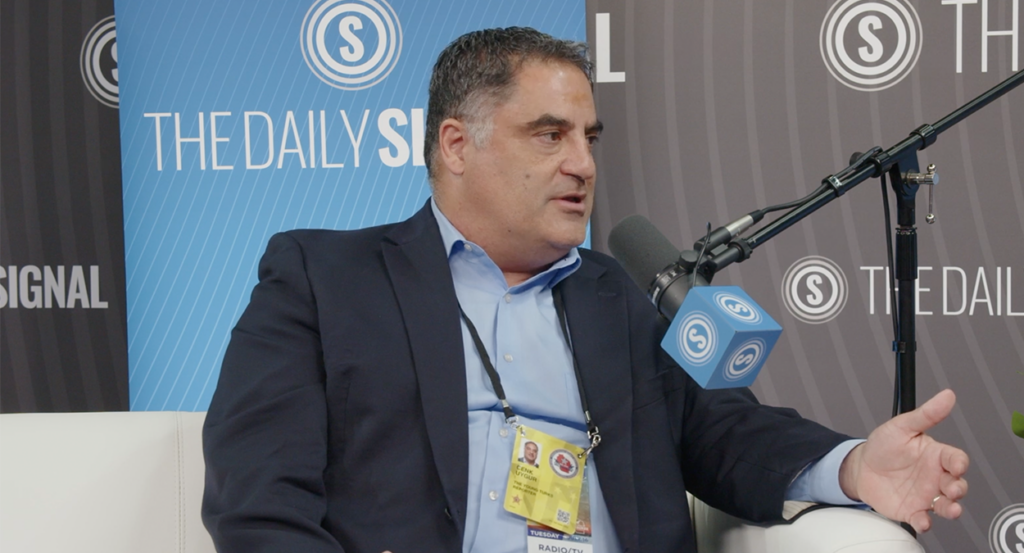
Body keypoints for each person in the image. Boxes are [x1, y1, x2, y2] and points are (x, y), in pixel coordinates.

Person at [202, 27, 968, 553]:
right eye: (549, 134)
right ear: (456, 144)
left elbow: (725, 430)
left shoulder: (622, 295)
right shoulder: (324, 278)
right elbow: (259, 494)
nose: (582, 164)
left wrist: (851, 466)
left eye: (589, 138)